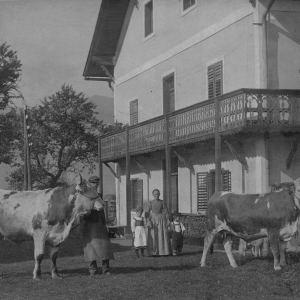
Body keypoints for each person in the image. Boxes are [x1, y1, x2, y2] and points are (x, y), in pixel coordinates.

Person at [82, 175, 114, 276]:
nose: (95, 185)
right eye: (92, 183)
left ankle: (106, 270)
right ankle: (93, 270)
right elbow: (83, 210)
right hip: (90, 224)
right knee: (91, 248)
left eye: (96, 183)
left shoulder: (99, 195)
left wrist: (106, 224)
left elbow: (102, 212)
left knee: (104, 246)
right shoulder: (85, 195)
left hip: (100, 224)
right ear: (89, 184)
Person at [147, 189, 171, 256]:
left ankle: (162, 252)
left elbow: (166, 211)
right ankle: (154, 252)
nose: (156, 195)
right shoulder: (151, 202)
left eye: (157, 194)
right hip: (153, 219)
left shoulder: (162, 202)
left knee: (161, 235)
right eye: (155, 194)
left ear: (159, 194)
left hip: (161, 219)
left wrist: (168, 219)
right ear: (153, 195)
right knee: (154, 235)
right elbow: (147, 212)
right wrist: (148, 220)